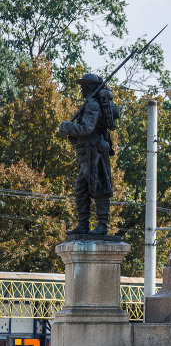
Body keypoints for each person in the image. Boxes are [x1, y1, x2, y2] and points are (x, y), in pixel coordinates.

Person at [58, 73, 114, 236]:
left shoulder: (92, 105)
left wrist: (68, 127)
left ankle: (102, 225)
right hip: (86, 153)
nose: (81, 89)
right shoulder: (90, 103)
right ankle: (83, 224)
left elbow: (86, 129)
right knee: (81, 189)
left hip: (93, 152)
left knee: (98, 188)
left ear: (88, 88)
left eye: (83, 86)